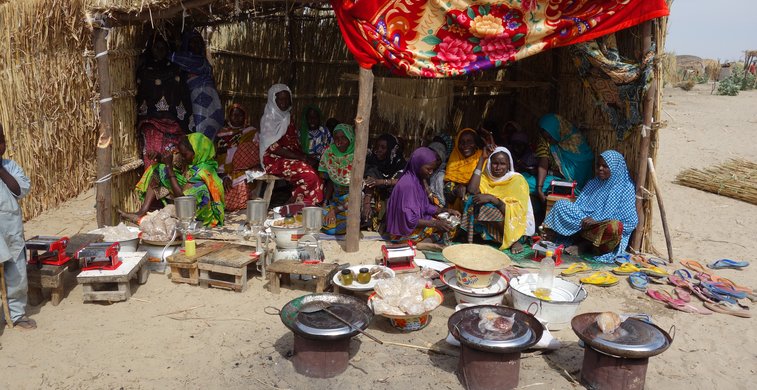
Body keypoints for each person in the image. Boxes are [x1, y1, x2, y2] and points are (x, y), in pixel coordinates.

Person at [543, 150, 638, 263]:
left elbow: (630, 222)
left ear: (615, 168)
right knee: (561, 205)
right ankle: (571, 238)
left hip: (602, 228)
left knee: (614, 226)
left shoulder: (626, 187)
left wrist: (598, 221)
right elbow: (580, 206)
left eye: (605, 166)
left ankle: (585, 246)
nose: (600, 169)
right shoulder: (594, 183)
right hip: (584, 223)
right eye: (598, 165)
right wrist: (584, 219)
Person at [121, 133, 225, 227]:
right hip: (189, 203)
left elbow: (183, 199)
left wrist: (169, 167)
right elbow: (175, 164)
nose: (183, 158)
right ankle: (142, 211)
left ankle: (187, 220)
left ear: (198, 152)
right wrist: (160, 157)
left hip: (204, 217)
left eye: (185, 155)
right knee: (159, 169)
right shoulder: (196, 162)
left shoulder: (203, 172)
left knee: (197, 187)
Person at [461, 146, 534, 253]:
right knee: (470, 199)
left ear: (508, 165)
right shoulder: (485, 177)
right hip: (492, 225)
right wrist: (482, 159)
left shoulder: (516, 180)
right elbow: (472, 189)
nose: (498, 167)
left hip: (515, 229)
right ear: (490, 163)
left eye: (503, 164)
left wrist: (493, 199)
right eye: (495, 163)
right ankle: (474, 236)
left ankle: (513, 241)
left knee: (488, 208)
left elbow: (518, 213)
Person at [259, 84, 323, 205]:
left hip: (290, 157)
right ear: (273, 100)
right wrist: (301, 158)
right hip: (273, 160)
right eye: (281, 98)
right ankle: (294, 204)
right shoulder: (269, 120)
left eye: (287, 99)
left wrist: (305, 156)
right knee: (309, 175)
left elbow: (292, 143)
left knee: (316, 167)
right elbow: (274, 148)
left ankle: (303, 204)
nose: (284, 102)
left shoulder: (288, 117)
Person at [136, 35, 191, 168]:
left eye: (163, 47)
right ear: (150, 48)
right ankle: (152, 186)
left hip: (174, 122)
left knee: (174, 157)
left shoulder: (176, 69)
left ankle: (172, 185)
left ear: (168, 49)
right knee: (152, 157)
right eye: (156, 47)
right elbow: (140, 95)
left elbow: (183, 95)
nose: (160, 50)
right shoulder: (143, 71)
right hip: (151, 121)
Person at [0, 123, 35, 329]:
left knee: (17, 274)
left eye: (1, 141)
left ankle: (17, 314)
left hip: (11, 230)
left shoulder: (10, 167)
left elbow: (20, 189)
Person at [385, 147, 460, 243]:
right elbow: (409, 220)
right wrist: (435, 224)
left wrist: (447, 210)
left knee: (450, 224)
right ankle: (423, 243)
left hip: (413, 223)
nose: (431, 172)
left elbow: (425, 206)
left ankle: (428, 241)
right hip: (401, 233)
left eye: (432, 169)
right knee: (447, 228)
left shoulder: (417, 180)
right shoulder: (408, 185)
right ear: (417, 165)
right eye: (428, 169)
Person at [526, 113, 594, 203]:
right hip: (558, 180)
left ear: (556, 131)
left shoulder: (577, 144)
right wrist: (540, 187)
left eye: (550, 137)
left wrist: (540, 186)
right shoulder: (551, 143)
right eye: (546, 138)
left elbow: (573, 177)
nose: (548, 141)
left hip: (575, 188)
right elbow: (543, 163)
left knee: (525, 182)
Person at [170, 29, 224, 140]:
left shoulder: (197, 61)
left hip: (204, 97)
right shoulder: (199, 61)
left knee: (206, 124)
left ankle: (204, 151)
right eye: (192, 42)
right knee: (201, 124)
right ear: (186, 44)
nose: (196, 45)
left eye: (198, 42)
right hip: (198, 98)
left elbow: (170, 56)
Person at [215, 104, 257, 211]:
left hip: (244, 169)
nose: (237, 118)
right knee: (223, 187)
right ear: (229, 117)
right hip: (224, 170)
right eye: (234, 115)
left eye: (240, 115)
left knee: (243, 184)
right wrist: (224, 175)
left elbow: (254, 152)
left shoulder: (251, 132)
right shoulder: (221, 134)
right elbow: (218, 156)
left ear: (245, 117)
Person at [362, 133, 406, 230]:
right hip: (375, 197)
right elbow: (370, 181)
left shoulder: (400, 163)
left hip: (392, 197)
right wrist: (366, 204)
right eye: (377, 146)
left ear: (391, 150)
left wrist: (381, 182)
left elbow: (402, 181)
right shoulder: (372, 160)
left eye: (383, 147)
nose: (379, 150)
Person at [319, 124, 355, 235]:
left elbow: (357, 196)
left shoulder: (358, 156)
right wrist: (325, 202)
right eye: (337, 138)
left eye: (343, 137)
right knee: (316, 216)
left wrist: (334, 211)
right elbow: (330, 181)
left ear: (350, 138)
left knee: (331, 228)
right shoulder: (330, 153)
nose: (340, 141)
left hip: (352, 204)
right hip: (336, 202)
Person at [444, 128, 483, 209]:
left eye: (469, 141)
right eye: (462, 142)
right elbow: (447, 195)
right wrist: (455, 191)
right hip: (456, 210)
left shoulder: (482, 158)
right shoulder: (453, 161)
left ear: (475, 144)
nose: (465, 145)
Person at [426, 139, 449, 207]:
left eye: (437, 159)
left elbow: (441, 203)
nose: (433, 161)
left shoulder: (441, 176)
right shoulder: (428, 171)